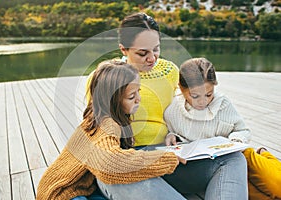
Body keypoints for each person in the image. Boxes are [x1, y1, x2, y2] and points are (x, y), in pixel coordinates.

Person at [36, 60, 186, 200]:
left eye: (138, 91)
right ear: (112, 99)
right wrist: (162, 159)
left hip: (85, 189)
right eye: (132, 96)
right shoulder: (106, 124)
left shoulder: (99, 114)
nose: (138, 99)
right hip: (62, 194)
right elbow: (109, 164)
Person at [86, 12, 179, 147]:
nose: (152, 58)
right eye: (142, 53)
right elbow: (94, 122)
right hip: (123, 153)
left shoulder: (170, 72)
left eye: (156, 49)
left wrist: (174, 134)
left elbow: (180, 112)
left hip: (167, 149)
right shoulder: (105, 76)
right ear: (123, 49)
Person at [162, 57, 250, 199]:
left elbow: (242, 130)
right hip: (185, 169)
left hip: (216, 165)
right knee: (235, 161)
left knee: (236, 157)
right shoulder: (173, 109)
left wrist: (236, 140)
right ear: (181, 88)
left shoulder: (223, 105)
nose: (203, 101)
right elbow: (171, 133)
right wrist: (171, 136)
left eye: (208, 94)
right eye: (195, 96)